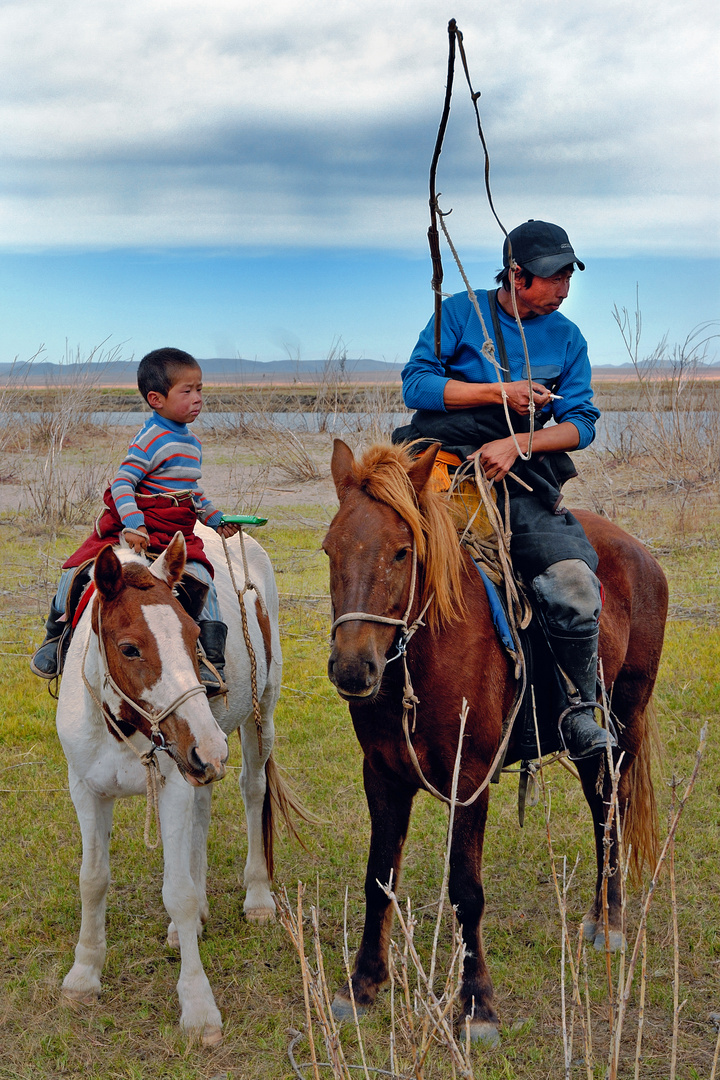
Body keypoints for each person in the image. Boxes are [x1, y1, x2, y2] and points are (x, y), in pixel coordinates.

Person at [394, 219, 615, 759]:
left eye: (569, 274)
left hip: (521, 474)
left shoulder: (567, 337)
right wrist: (500, 392)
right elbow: (416, 384)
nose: (564, 287)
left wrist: (520, 444)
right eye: (554, 276)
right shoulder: (459, 312)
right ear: (517, 275)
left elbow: (582, 423)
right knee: (383, 561)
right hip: (438, 466)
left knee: (573, 586)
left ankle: (578, 709)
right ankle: (376, 683)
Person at [30, 347, 239, 695]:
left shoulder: (193, 443)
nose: (197, 398)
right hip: (138, 528)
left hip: (175, 532)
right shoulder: (151, 438)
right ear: (156, 399)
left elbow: (190, 491)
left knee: (203, 581)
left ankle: (208, 659)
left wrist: (215, 518)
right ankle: (56, 638)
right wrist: (133, 524)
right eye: (186, 391)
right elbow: (124, 482)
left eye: (199, 389)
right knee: (76, 571)